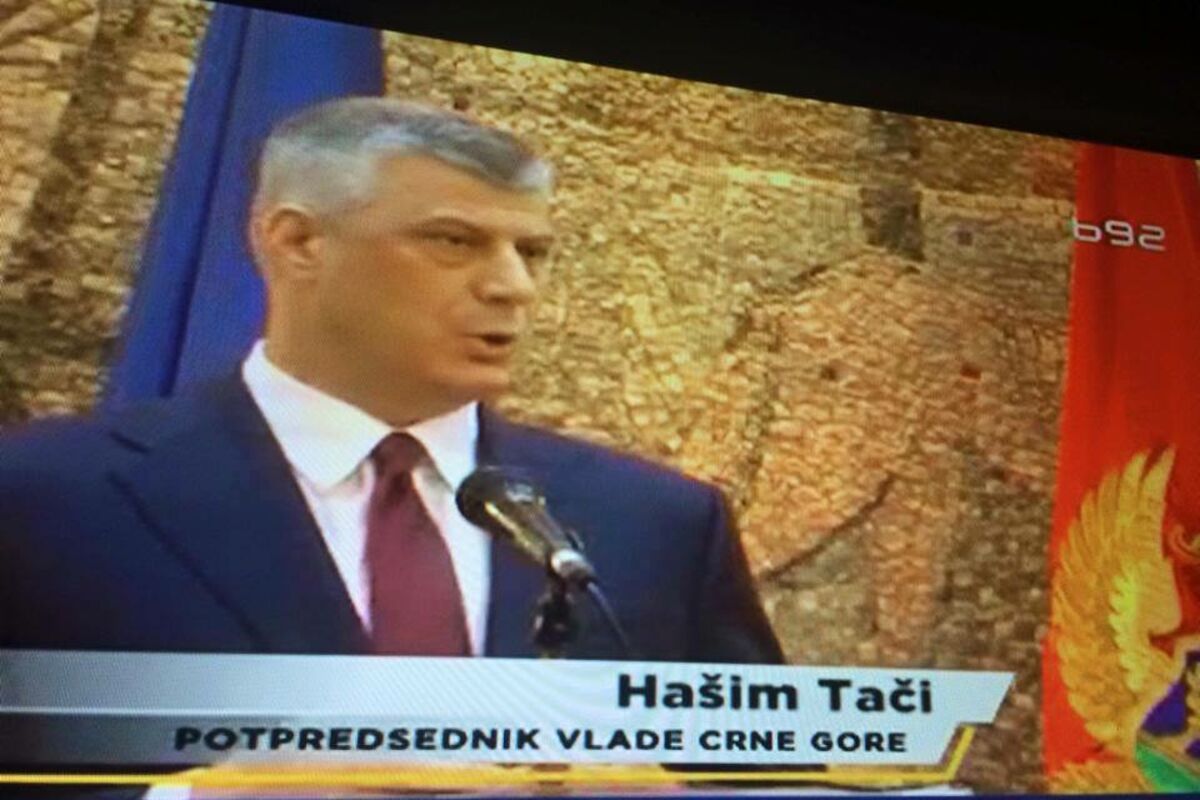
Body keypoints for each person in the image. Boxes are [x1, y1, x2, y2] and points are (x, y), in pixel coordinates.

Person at [0, 97, 782, 665]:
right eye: (453, 242)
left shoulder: (659, 525)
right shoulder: (42, 498)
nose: (513, 287)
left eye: (532, 253)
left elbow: (770, 780)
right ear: (298, 243)